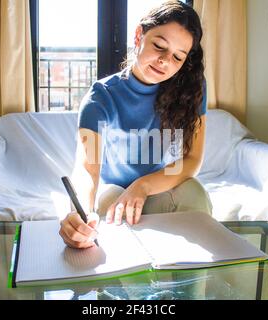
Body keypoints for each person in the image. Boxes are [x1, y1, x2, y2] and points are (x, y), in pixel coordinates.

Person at [59, 0, 212, 249]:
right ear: (139, 35)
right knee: (108, 198)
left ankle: (195, 286)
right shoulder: (101, 97)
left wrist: (143, 185)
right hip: (115, 193)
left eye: (177, 57)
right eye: (159, 46)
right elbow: (88, 169)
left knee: (193, 191)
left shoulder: (192, 88)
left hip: (160, 187)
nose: (164, 61)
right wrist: (79, 215)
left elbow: (192, 159)